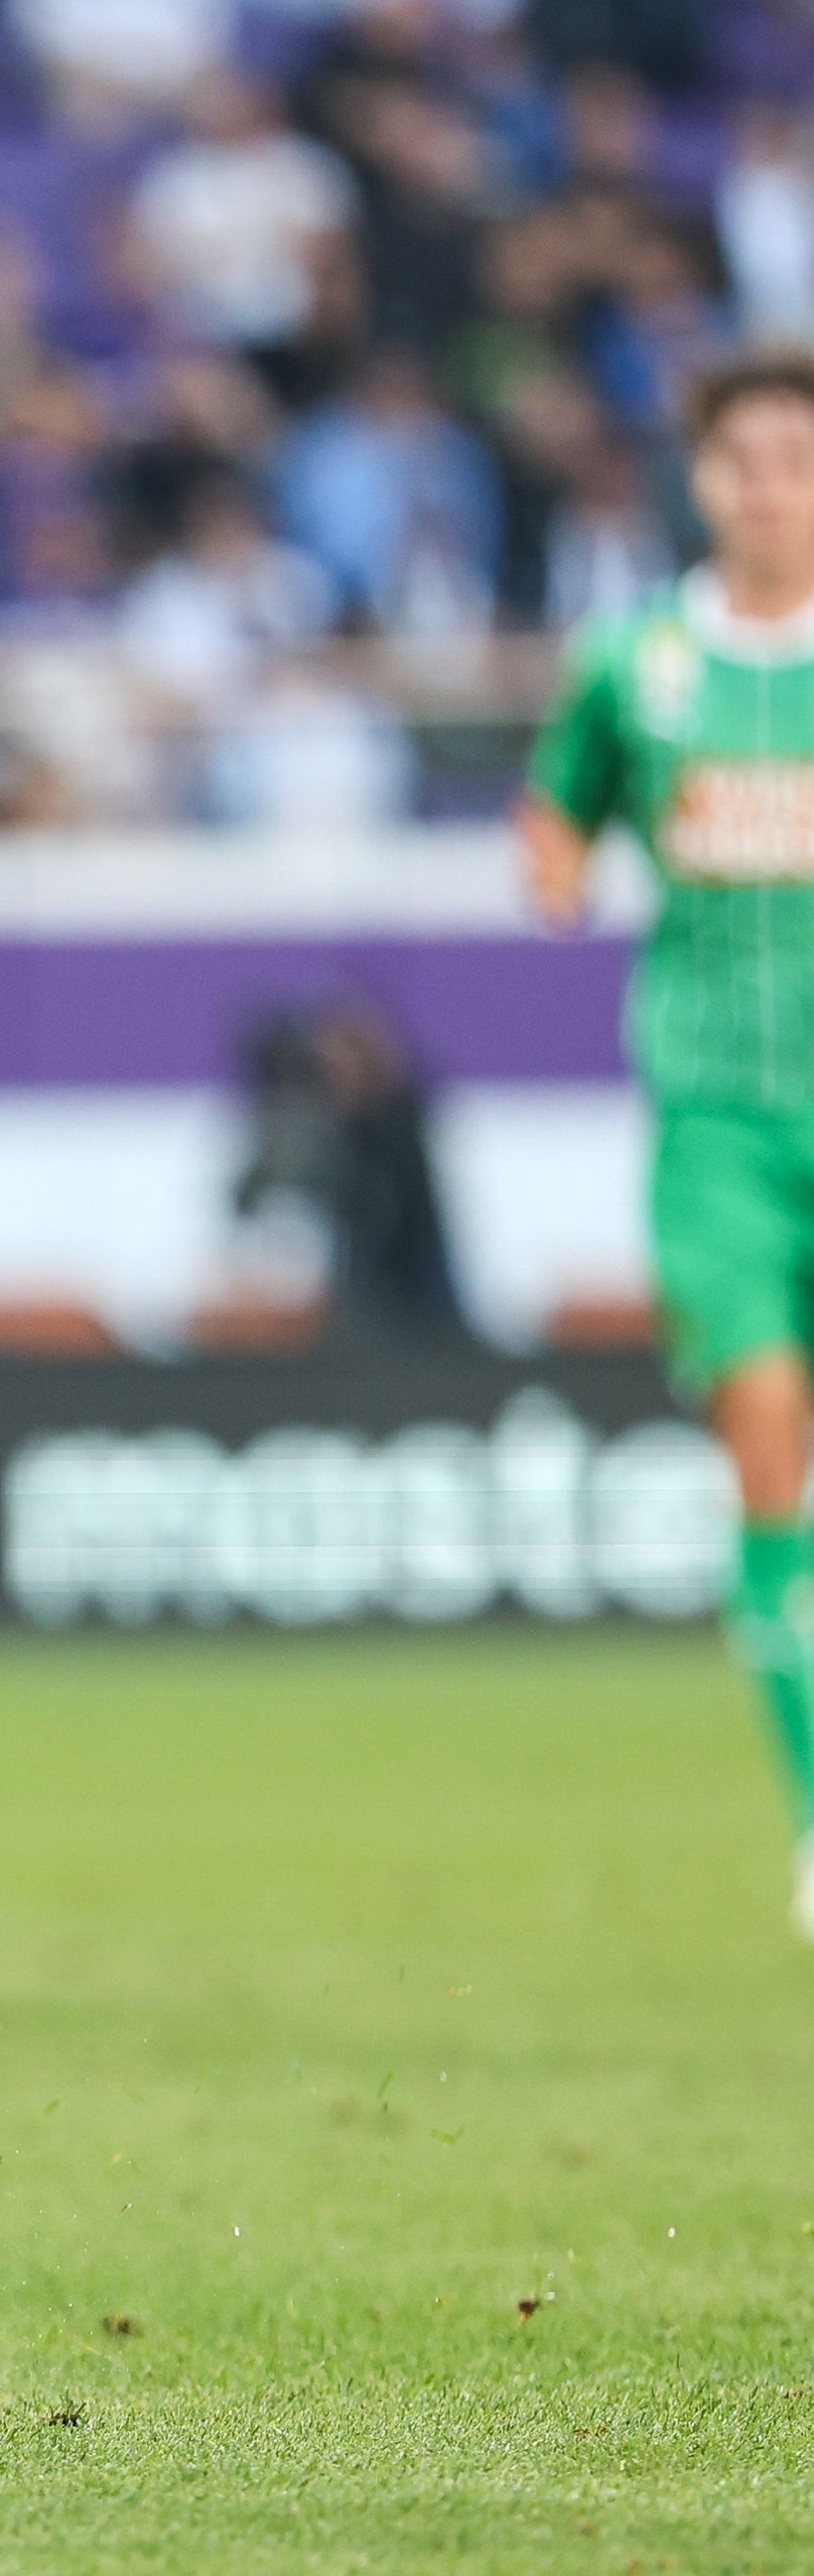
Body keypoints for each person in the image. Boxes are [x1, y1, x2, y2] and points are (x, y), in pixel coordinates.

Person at [522, 352, 814, 1936]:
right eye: (743, 456)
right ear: (703, 479)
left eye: (795, 454)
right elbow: (557, 804)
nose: (770, 482)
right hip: (715, 1124)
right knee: (768, 1447)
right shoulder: (636, 665)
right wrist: (555, 862)